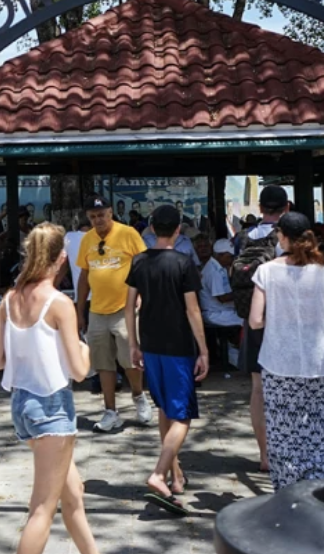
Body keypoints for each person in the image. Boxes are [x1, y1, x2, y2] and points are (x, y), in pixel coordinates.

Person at [0, 223, 100, 554]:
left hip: (23, 405)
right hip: (52, 407)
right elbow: (80, 371)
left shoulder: (9, 300)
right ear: (62, 256)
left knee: (73, 492)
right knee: (42, 510)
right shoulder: (59, 303)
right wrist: (87, 349)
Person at [248, 212, 324, 490]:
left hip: (279, 362)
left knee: (284, 430)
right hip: (320, 363)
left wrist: (277, 320)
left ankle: (288, 489)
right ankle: (320, 486)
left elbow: (255, 320)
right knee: (322, 428)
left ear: (283, 237)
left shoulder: (266, 271)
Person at [125, 204, 208, 514]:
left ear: (149, 227)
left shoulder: (139, 261)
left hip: (150, 344)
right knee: (183, 414)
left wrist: (133, 343)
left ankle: (175, 475)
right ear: (178, 230)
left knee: (164, 409)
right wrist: (204, 349)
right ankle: (160, 473)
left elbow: (129, 305)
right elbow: (193, 310)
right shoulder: (184, 263)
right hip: (178, 346)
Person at [76, 195, 154, 432]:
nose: (97, 220)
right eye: (92, 217)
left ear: (110, 213)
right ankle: (111, 411)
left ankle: (139, 397)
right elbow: (83, 277)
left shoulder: (128, 233)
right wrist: (80, 311)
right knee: (103, 364)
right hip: (98, 310)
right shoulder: (87, 239)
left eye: (101, 215)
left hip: (125, 309)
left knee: (131, 358)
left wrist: (141, 295)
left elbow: (144, 266)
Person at [229, 185, 290, 473]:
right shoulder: (288, 235)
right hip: (282, 318)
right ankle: (286, 447)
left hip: (252, 317)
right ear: (286, 207)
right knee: (288, 385)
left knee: (258, 388)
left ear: (261, 208)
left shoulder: (243, 237)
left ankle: (265, 455)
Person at [197, 237, 243, 352]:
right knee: (248, 320)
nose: (232, 259)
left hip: (222, 310)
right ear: (220, 255)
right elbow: (222, 298)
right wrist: (242, 293)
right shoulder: (213, 272)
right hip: (216, 313)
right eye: (230, 256)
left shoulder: (220, 268)